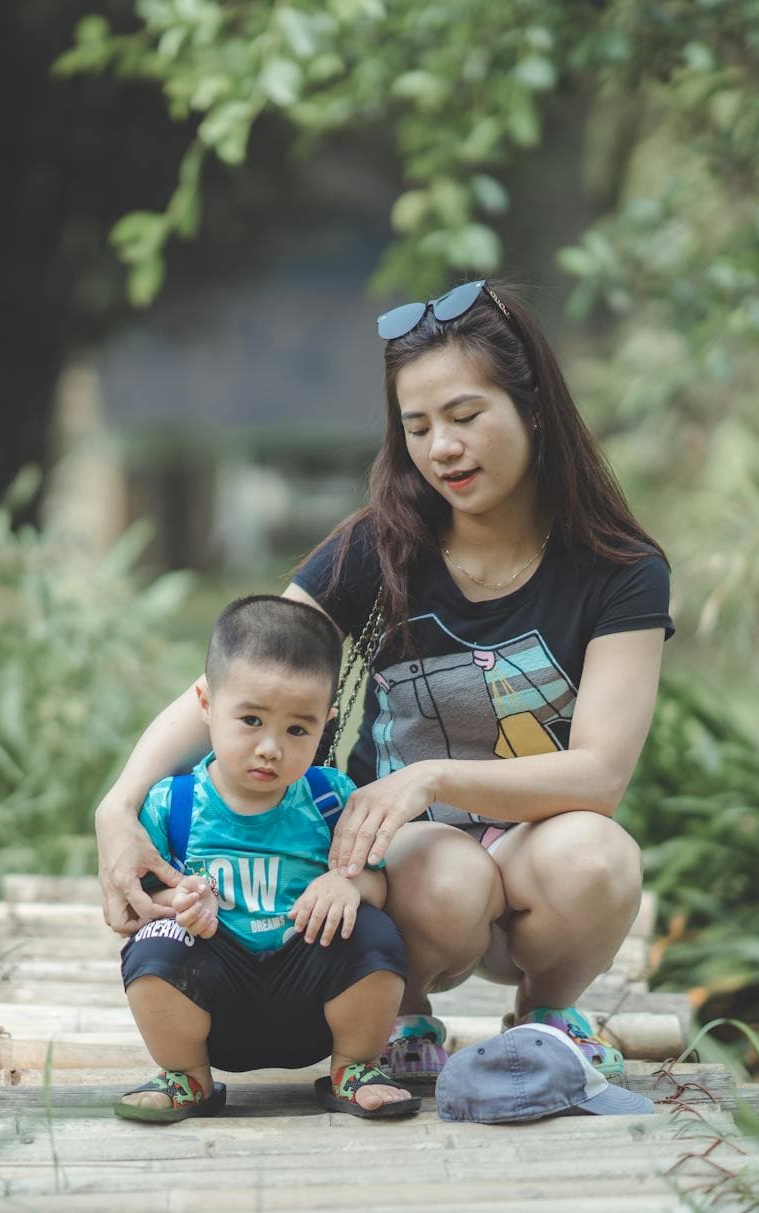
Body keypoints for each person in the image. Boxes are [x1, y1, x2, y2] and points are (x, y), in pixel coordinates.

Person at [96, 278, 672, 1088]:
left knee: (600, 855)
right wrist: (117, 806)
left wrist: (428, 775)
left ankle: (547, 1014)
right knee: (448, 869)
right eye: (418, 426)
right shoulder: (379, 548)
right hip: (395, 872)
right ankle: (399, 1013)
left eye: (466, 417)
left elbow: (599, 775)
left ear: (533, 407)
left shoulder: (621, 572)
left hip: (537, 845)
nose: (442, 448)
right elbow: (231, 685)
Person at [114, 594, 419, 1123]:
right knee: (154, 945)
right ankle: (185, 1076)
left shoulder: (331, 799)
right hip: (213, 997)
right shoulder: (174, 803)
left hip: (309, 994)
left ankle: (355, 1067)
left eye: (298, 729)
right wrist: (176, 900)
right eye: (251, 720)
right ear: (206, 704)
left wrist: (347, 885)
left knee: (374, 933)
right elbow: (139, 902)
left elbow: (377, 882)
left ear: (326, 723)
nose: (271, 748)